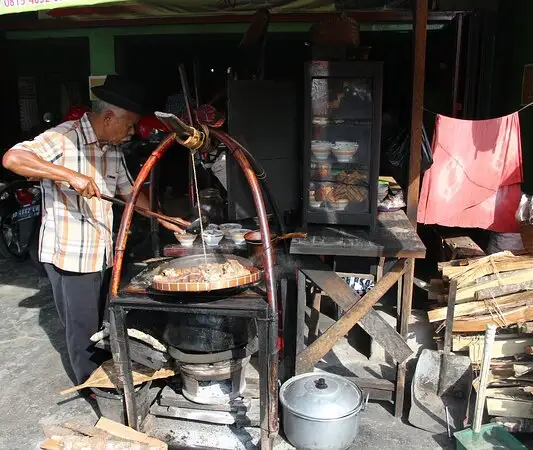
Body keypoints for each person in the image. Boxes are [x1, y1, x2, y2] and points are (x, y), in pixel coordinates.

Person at [2, 75, 184, 385]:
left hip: (102, 253)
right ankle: (92, 387)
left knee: (104, 322)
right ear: (110, 116)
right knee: (83, 331)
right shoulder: (64, 137)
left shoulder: (111, 149)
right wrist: (66, 174)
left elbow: (129, 192)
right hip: (71, 256)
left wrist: (164, 219)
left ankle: (107, 375)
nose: (130, 132)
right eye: (128, 125)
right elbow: (13, 158)